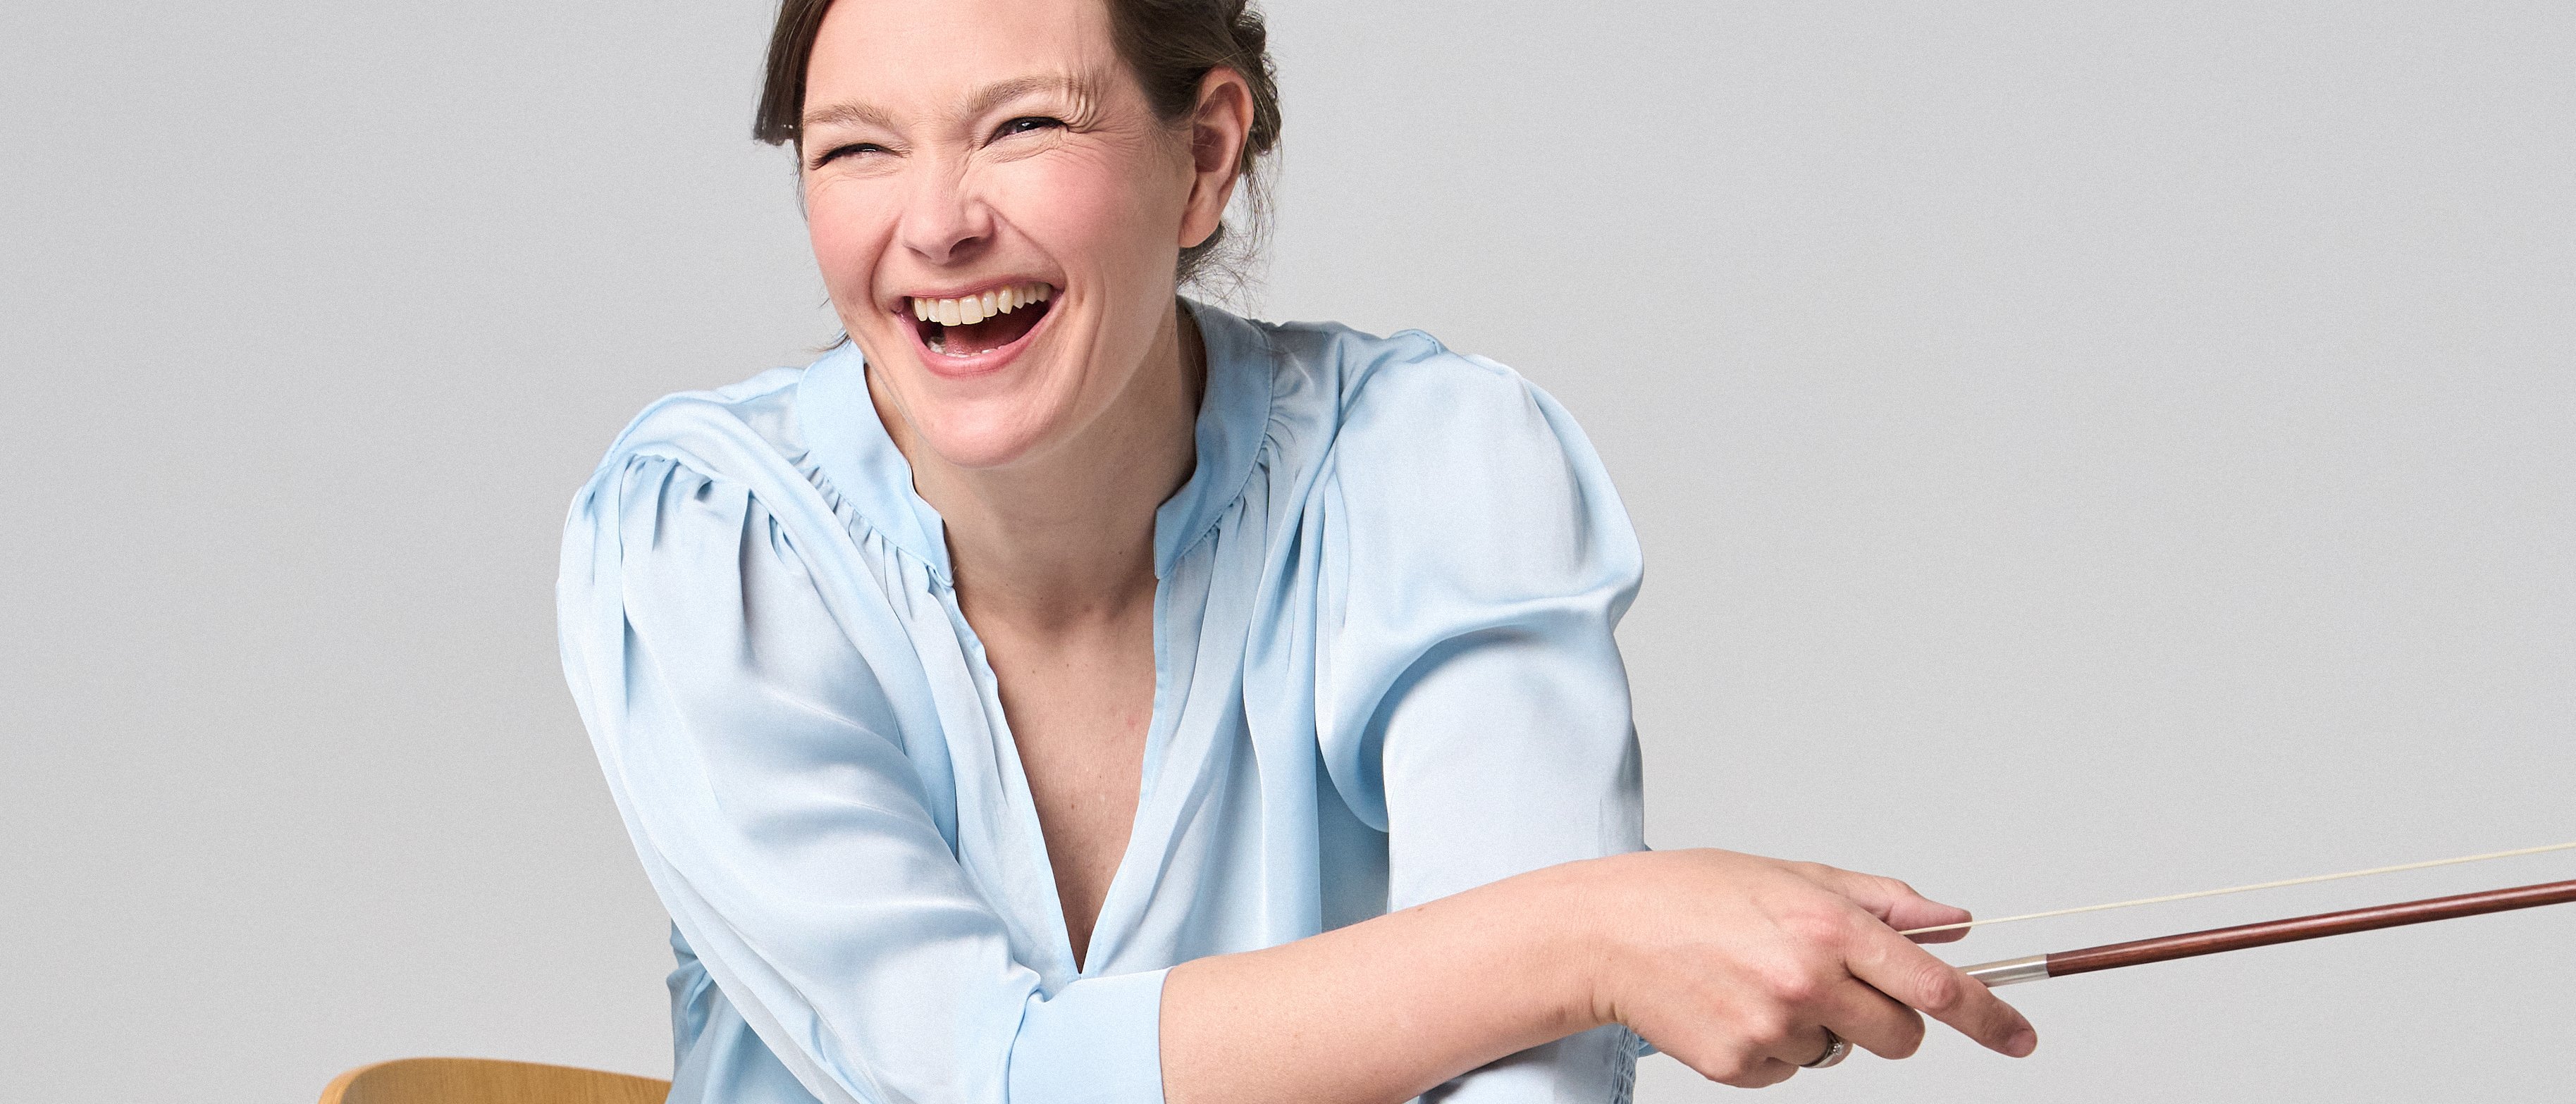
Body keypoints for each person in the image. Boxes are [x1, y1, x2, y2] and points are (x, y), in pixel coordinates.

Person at [555, 1, 2038, 1101]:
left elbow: (1531, 1081)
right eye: (857, 151)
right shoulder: (708, 543)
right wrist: (1591, 934)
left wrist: (1583, 965)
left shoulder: (1430, 473)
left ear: (1203, 156)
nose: (935, 223)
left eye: (1022, 126)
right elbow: (977, 1081)